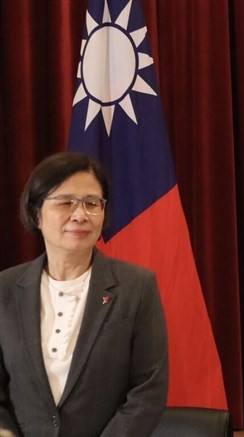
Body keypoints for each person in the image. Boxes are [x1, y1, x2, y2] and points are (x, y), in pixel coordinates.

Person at [0, 152, 168, 436]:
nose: (80, 215)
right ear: (36, 213)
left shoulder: (137, 287)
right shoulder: (5, 288)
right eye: (66, 202)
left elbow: (148, 390)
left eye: (92, 203)